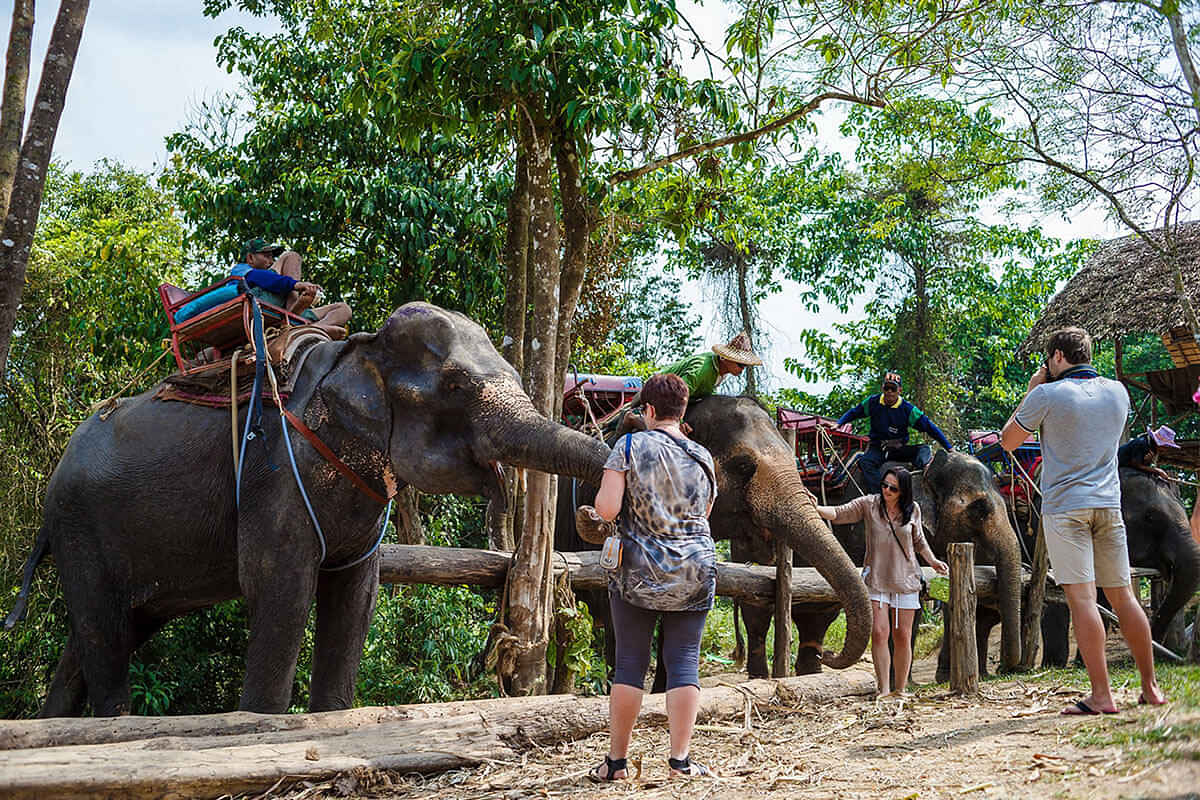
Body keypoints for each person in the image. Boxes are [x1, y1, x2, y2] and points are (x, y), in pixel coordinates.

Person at [1000, 326, 1166, 713]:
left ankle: (1102, 695)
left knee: (1083, 600)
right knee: (1124, 597)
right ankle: (1152, 687)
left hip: (1065, 508)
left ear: (1058, 356)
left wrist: (1033, 387)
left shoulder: (1046, 393)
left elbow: (1008, 441)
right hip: (1109, 506)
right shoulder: (1118, 392)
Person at [586, 372, 718, 780]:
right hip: (695, 568)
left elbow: (606, 510)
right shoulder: (702, 456)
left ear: (647, 410)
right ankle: (680, 762)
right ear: (681, 412)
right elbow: (705, 513)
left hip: (638, 569)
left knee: (629, 663)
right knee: (684, 663)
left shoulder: (628, 445)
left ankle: (617, 764)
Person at [815, 466, 948, 698]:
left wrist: (933, 561)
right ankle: (883, 688)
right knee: (878, 632)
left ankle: (900, 688)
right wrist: (814, 507)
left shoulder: (913, 509)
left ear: (903, 491)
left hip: (906, 579)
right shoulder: (869, 504)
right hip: (876, 579)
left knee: (903, 635)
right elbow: (839, 513)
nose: (887, 490)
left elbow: (919, 541)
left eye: (893, 488)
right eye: (884, 485)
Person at [832, 372, 953, 492]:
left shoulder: (907, 409)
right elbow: (854, 412)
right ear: (882, 388)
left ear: (899, 390)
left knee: (924, 449)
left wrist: (949, 448)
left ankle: (924, 469)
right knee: (865, 462)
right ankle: (880, 495)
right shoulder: (873, 402)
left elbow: (930, 427)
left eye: (893, 388)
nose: (889, 392)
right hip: (878, 447)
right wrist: (839, 423)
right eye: (887, 388)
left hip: (898, 448)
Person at [237, 238, 352, 336]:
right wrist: (297, 285)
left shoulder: (270, 278)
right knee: (292, 256)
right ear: (250, 258)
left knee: (344, 309)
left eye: (272, 257)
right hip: (260, 301)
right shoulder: (244, 272)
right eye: (266, 256)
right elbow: (268, 279)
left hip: (281, 309)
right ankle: (294, 312)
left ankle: (314, 328)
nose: (271, 261)